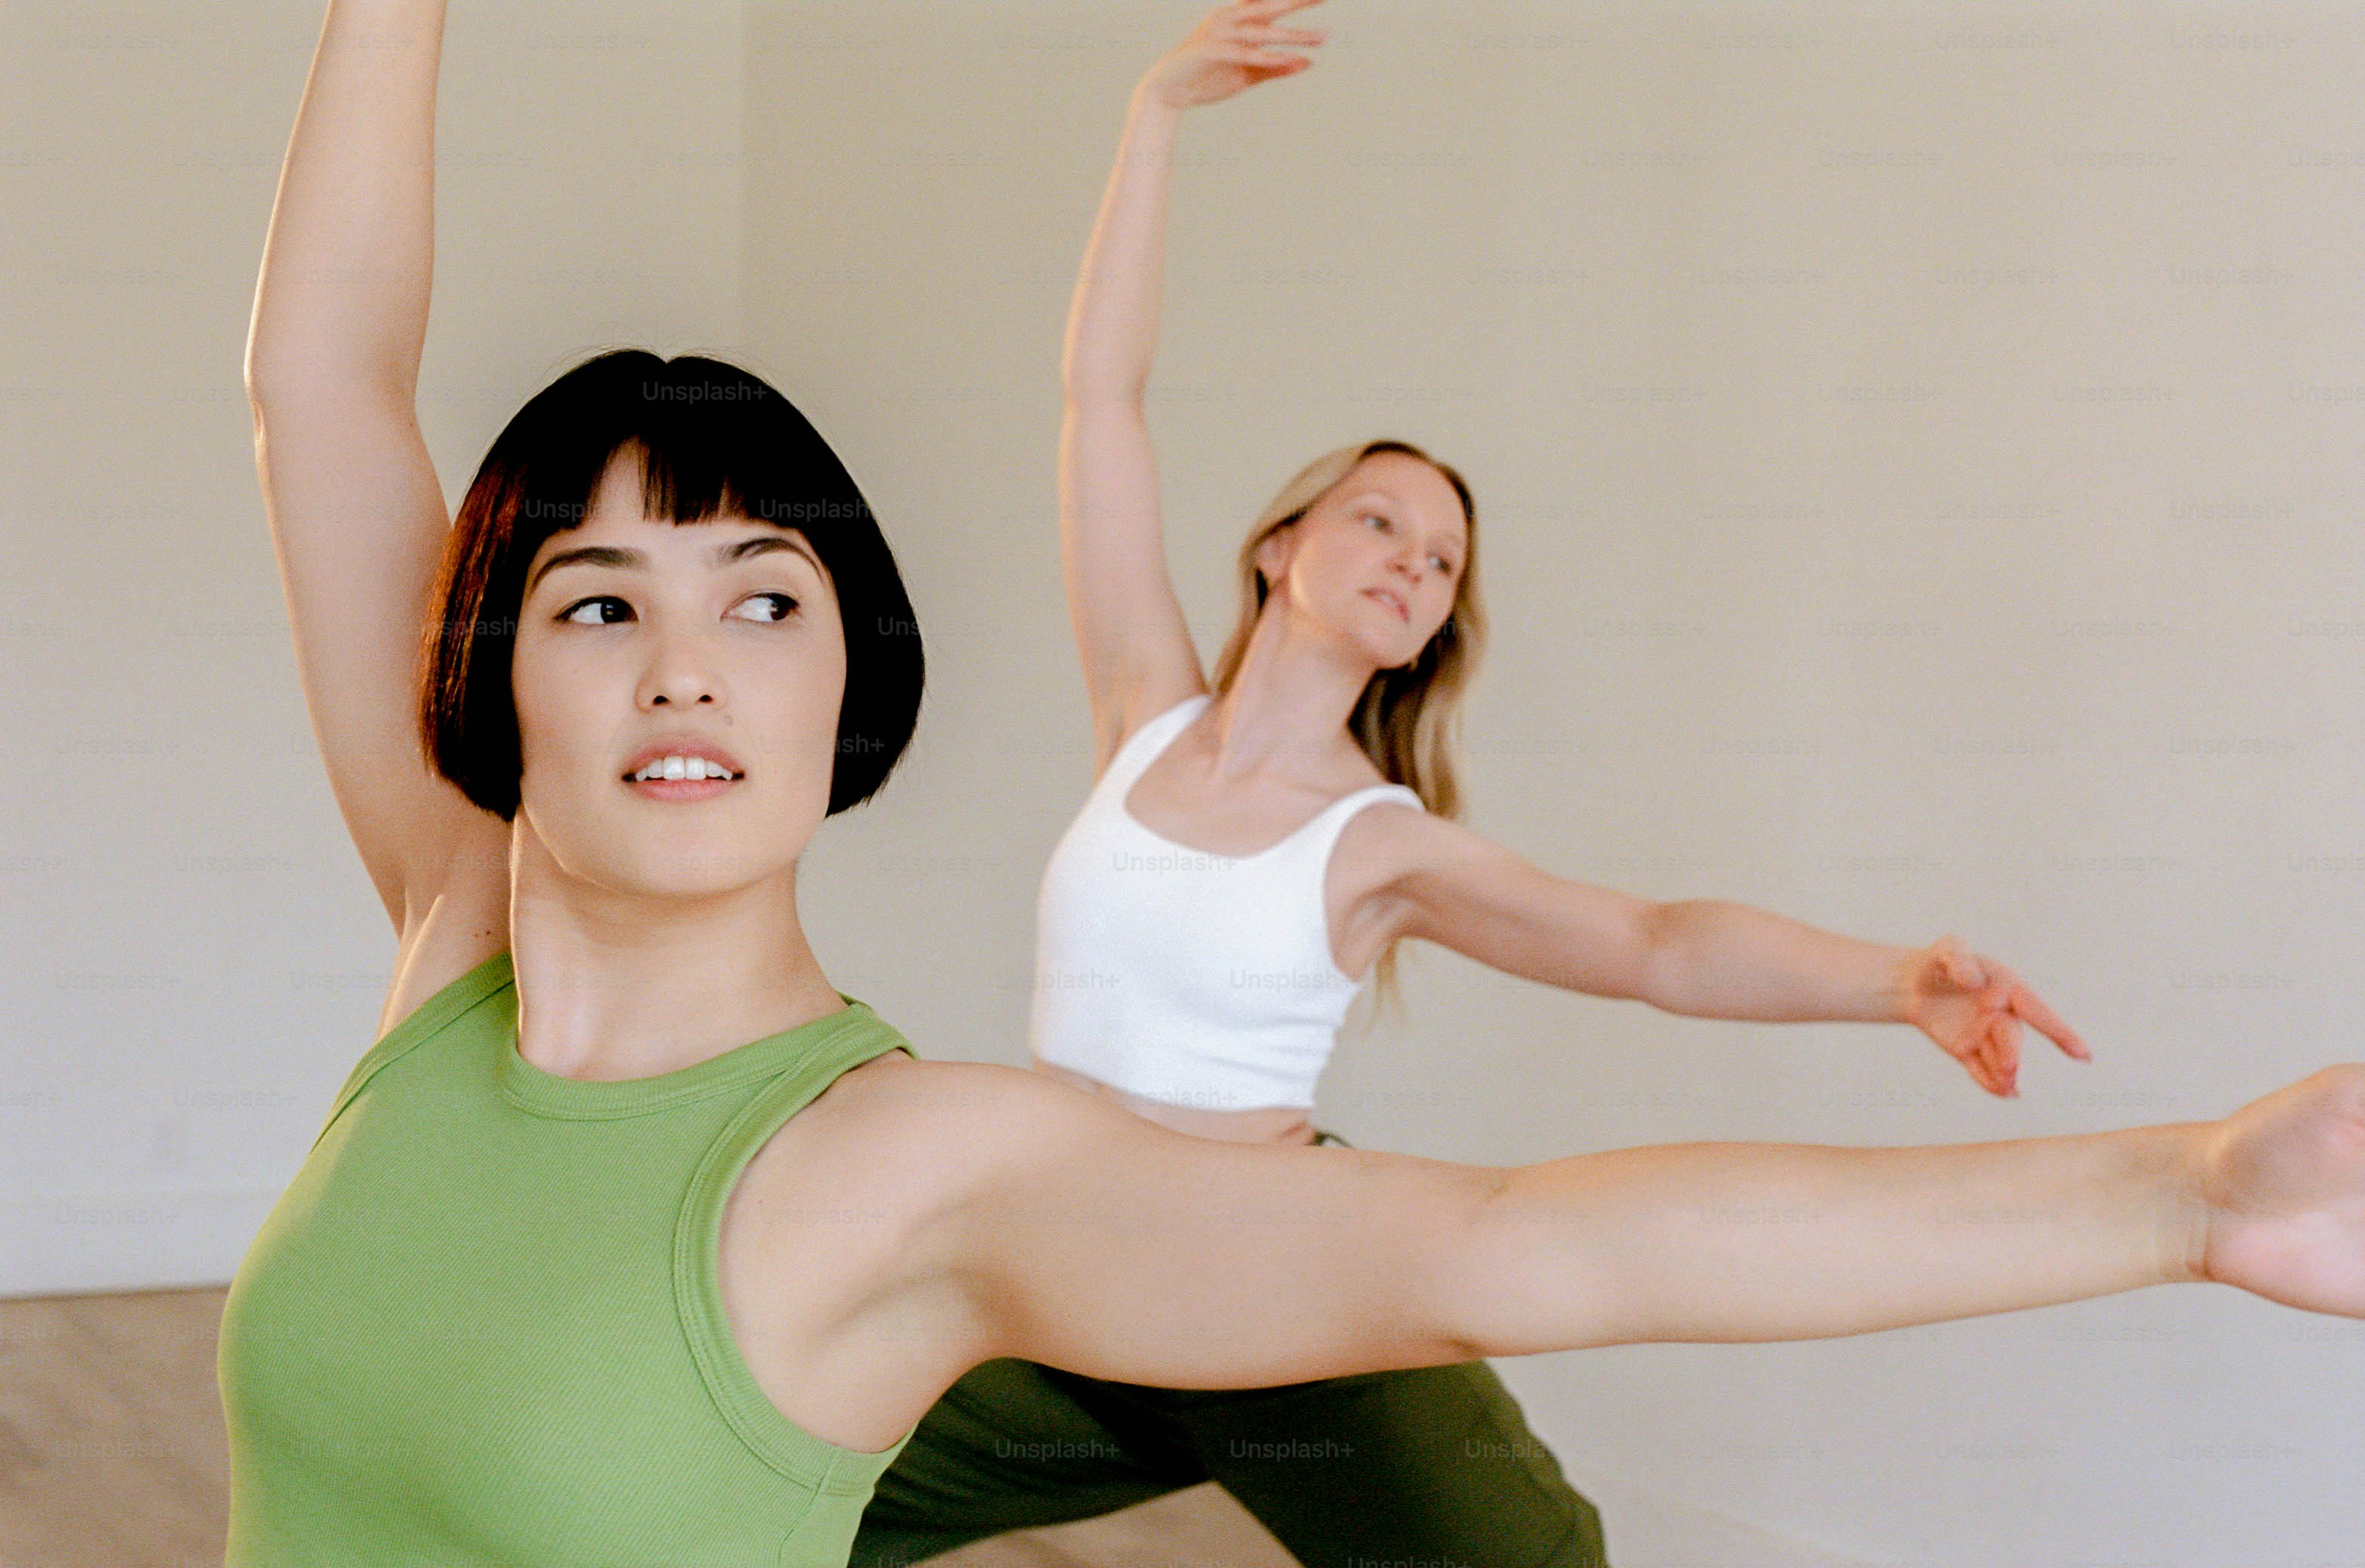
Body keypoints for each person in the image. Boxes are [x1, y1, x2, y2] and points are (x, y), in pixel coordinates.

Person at [218, 3, 2365, 1566]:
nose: (684, 654)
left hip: (1220, 1229)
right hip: (1073, 1314)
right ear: (484, 677)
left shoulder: (958, 1142)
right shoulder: (458, 930)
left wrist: (2169, 1186)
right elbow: (323, 374)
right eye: (599, 601)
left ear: (851, 682)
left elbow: (1552, 1187)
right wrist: (1147, 117)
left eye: (765, 600)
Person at [855, 5, 2084, 1564]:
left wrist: (1891, 980)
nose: (1411, 561)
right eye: (1378, 521)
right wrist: (1152, 116)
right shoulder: (1141, 712)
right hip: (1053, 1276)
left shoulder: (1375, 846)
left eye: (1438, 561)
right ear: (1277, 548)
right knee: (791, 1485)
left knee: (1534, 1561)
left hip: (1269, 1287)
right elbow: (1100, 402)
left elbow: (1647, 943)